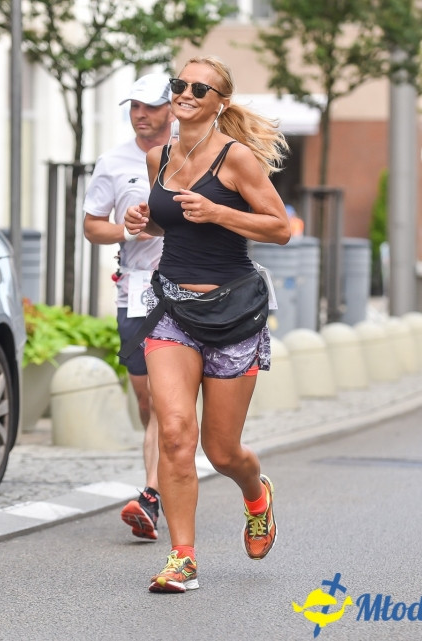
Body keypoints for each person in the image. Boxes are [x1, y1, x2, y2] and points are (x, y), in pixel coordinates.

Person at [123, 56, 291, 593]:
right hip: (172, 309)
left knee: (222, 452)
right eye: (180, 84)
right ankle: (183, 558)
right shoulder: (160, 157)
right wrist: (142, 221)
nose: (186, 92)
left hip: (234, 313)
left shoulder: (236, 159)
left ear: (220, 101)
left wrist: (220, 213)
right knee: (175, 434)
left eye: (201, 87)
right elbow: (167, 222)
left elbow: (280, 228)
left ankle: (255, 492)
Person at [83, 73, 175, 540]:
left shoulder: (196, 152)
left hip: (187, 287)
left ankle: (153, 493)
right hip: (136, 288)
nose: (141, 114)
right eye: (134, 106)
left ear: (171, 108)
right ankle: (168, 460)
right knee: (147, 398)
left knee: (163, 398)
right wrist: (126, 230)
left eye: (150, 106)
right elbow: (91, 226)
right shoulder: (113, 162)